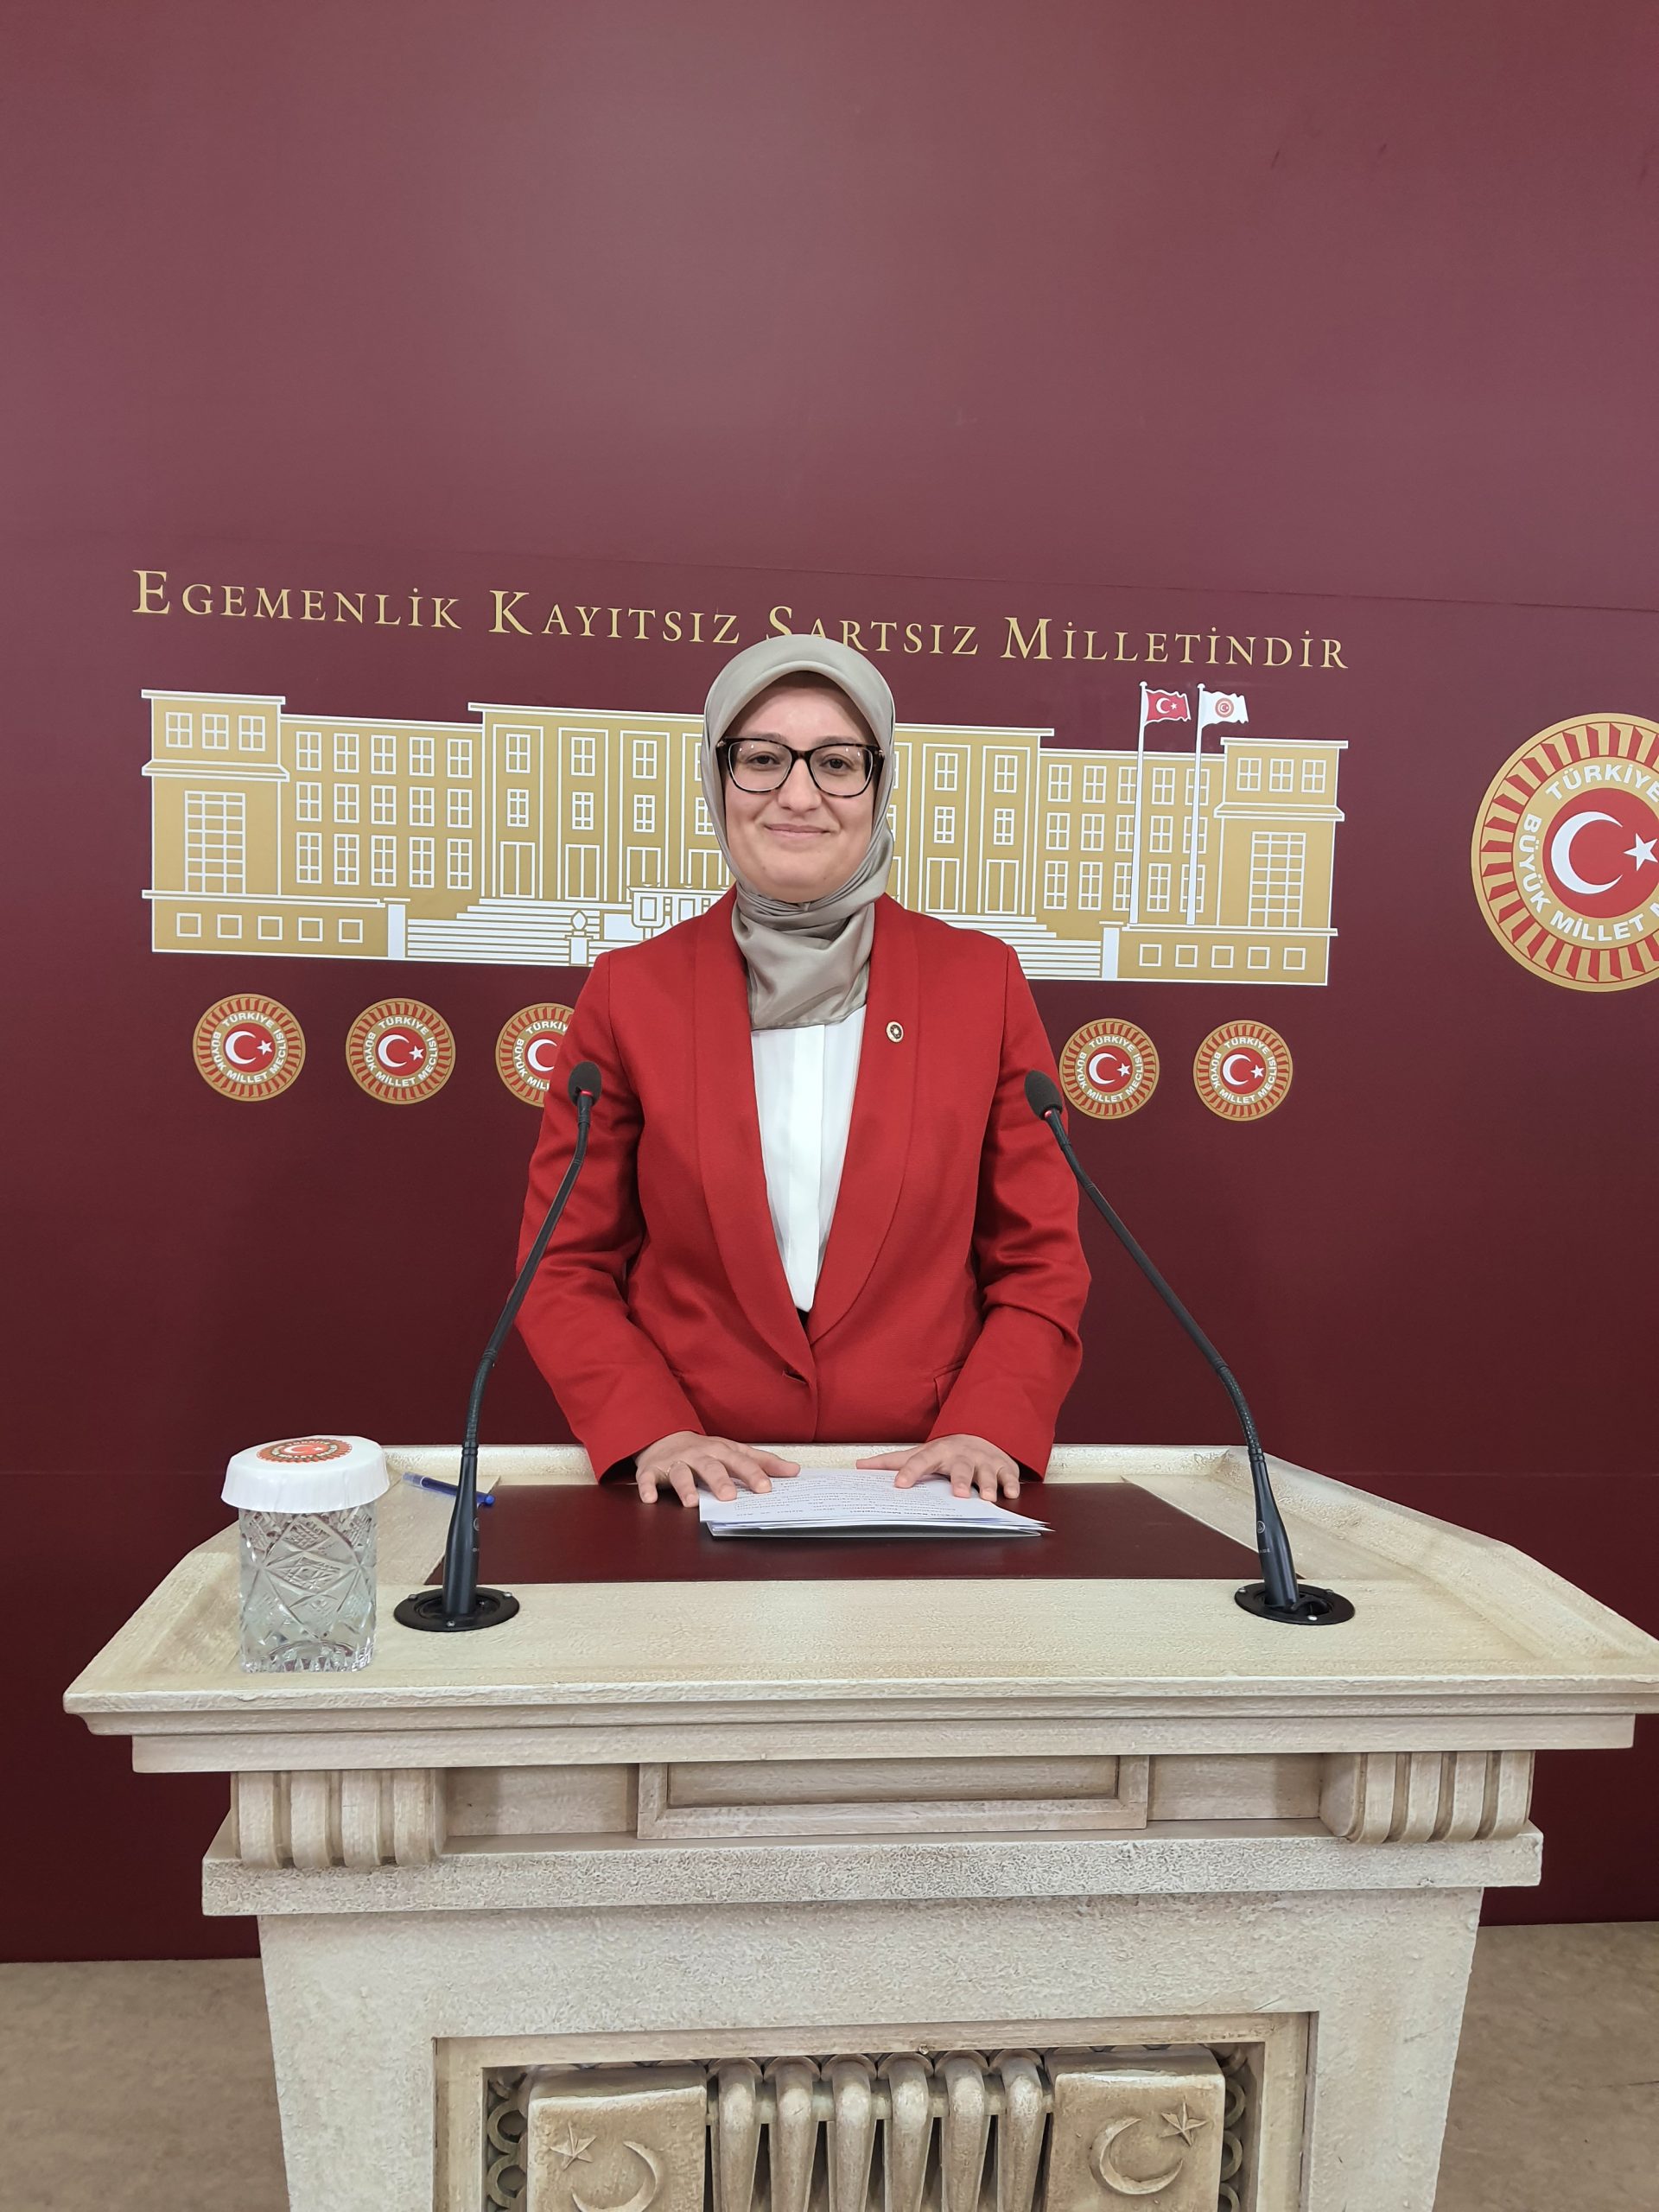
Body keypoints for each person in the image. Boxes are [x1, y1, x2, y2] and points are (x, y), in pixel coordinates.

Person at [516, 634, 1089, 1506]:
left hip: (928, 1484)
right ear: (717, 779)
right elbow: (564, 1262)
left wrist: (991, 1421)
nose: (797, 794)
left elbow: (1039, 1255)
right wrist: (651, 1428)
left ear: (879, 785)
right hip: (695, 1485)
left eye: (836, 763)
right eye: (761, 759)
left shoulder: (982, 984)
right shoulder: (631, 992)